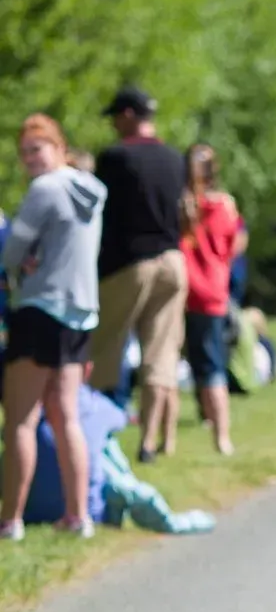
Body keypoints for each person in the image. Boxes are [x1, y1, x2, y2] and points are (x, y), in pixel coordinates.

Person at [0, 114, 106, 540]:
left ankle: (10, 521)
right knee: (66, 418)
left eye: (36, 148)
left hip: (41, 309)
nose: (29, 159)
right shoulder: (91, 189)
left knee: (20, 421)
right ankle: (78, 516)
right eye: (24, 152)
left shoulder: (44, 188)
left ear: (59, 147)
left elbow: (10, 254)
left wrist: (19, 259)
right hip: (80, 314)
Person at [91, 85, 191, 464]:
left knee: (105, 349)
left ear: (130, 114)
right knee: (160, 354)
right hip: (172, 262)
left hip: (129, 264)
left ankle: (98, 434)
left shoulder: (115, 157)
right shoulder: (174, 157)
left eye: (116, 116)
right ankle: (147, 443)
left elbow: (101, 215)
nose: (114, 124)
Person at [179, 143, 241, 456]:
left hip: (188, 291)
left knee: (202, 366)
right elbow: (234, 244)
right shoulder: (226, 204)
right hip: (215, 289)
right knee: (210, 362)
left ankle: (220, 436)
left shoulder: (185, 205)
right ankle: (218, 431)